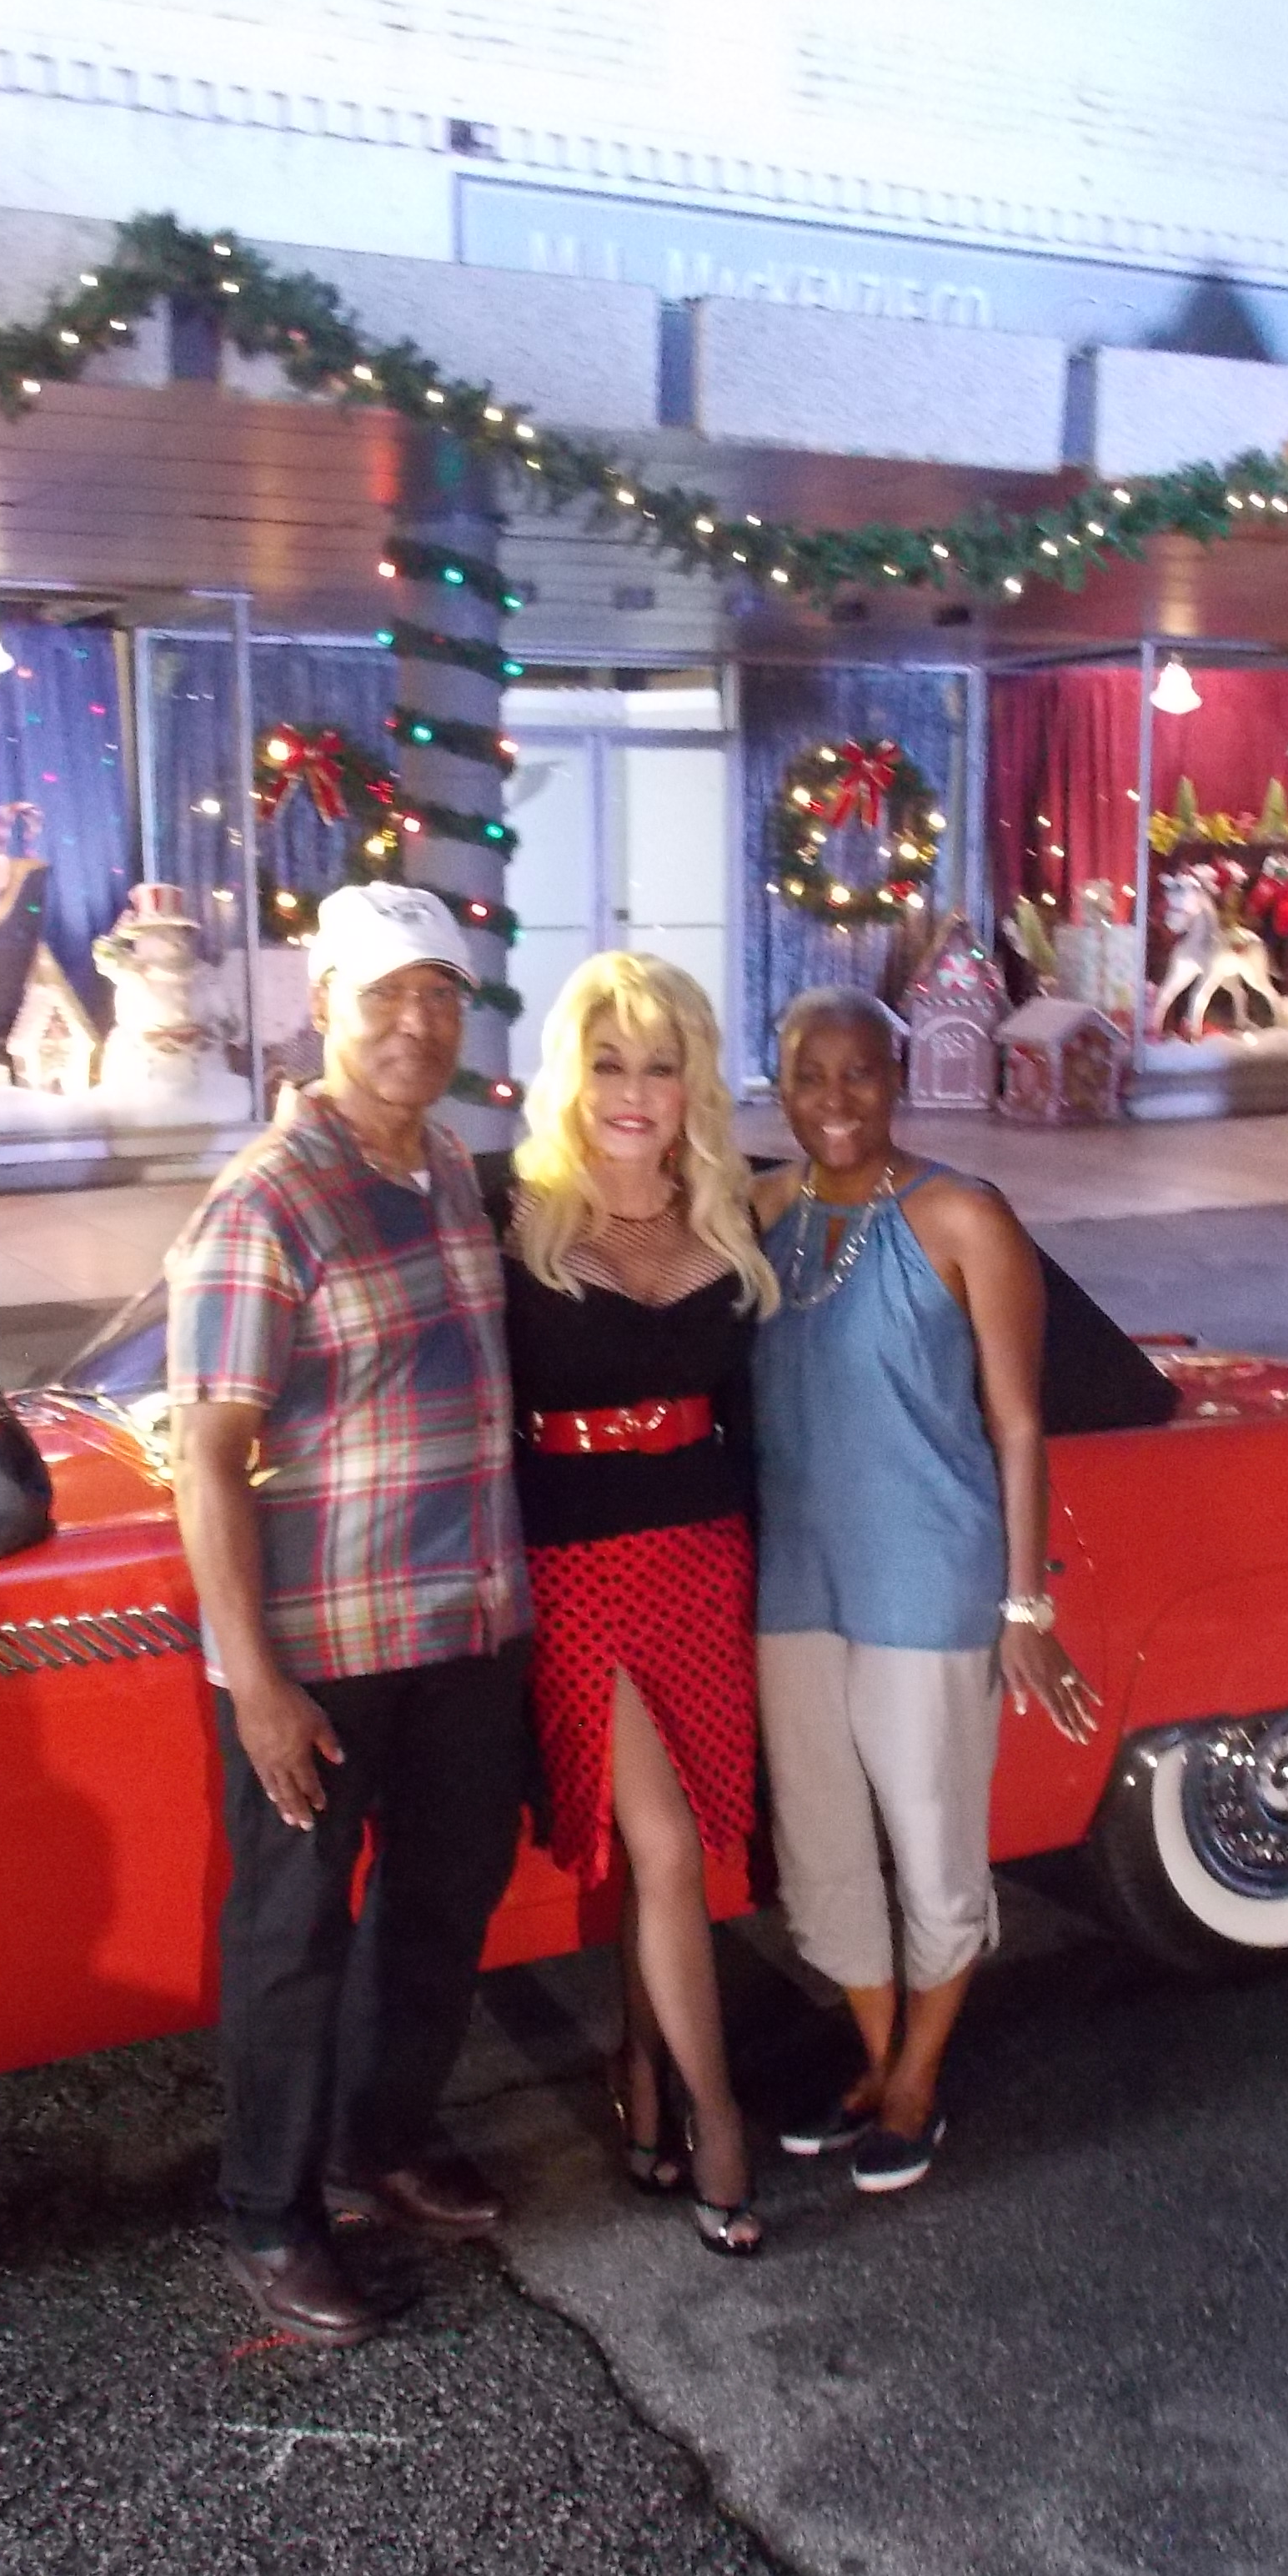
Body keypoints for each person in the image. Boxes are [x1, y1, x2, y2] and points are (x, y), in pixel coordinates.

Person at [165, 882, 531, 2348]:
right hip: (320, 1648)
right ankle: (269, 2211)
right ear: (323, 1006)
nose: (418, 1023)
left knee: (443, 1898)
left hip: (463, 1626)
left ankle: (383, 2134)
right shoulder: (266, 1198)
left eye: (441, 994)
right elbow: (206, 1453)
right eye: (387, 994)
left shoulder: (444, 1165)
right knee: (293, 1934)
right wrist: (253, 1681)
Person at [752, 988, 1099, 2196]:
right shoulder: (763, 1214)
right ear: (779, 1088)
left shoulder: (962, 1214)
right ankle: (875, 2054)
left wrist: (1026, 1607)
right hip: (795, 1579)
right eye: (810, 1077)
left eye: (860, 1073)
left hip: (927, 1572)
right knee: (821, 1839)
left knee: (931, 1833)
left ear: (898, 1079)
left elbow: (1019, 1424)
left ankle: (918, 2080)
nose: (835, 1100)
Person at [491, 952, 776, 2258]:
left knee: (673, 1844)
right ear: (571, 1074)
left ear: (691, 1083)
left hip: (704, 1557)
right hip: (572, 1565)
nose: (634, 1091)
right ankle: (721, 2119)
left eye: (661, 1067)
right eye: (609, 1063)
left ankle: (643, 2067)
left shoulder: (732, 1210)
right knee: (661, 1846)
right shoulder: (514, 1215)